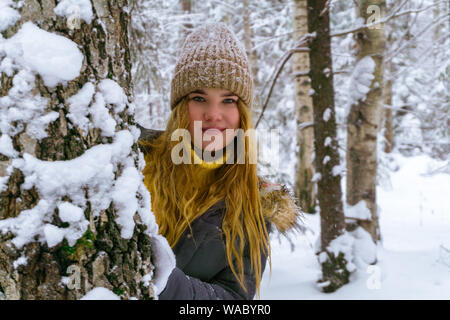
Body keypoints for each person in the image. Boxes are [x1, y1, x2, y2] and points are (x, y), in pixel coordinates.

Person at [138, 23, 302, 300]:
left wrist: (168, 283)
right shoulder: (132, 156)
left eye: (228, 100)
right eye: (199, 98)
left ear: (241, 114)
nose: (214, 114)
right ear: (180, 107)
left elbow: (233, 301)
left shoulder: (253, 204)